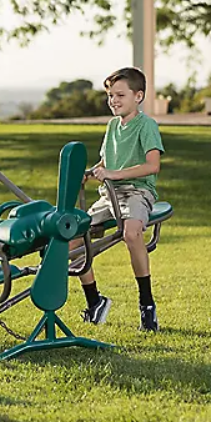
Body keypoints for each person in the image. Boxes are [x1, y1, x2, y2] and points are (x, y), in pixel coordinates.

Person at [74, 67, 164, 331]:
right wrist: (90, 173)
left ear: (138, 96)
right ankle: (95, 302)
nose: (113, 100)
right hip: (108, 196)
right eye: (110, 96)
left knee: (132, 233)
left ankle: (147, 306)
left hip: (137, 192)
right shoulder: (112, 125)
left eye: (120, 95)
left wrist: (113, 173)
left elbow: (152, 165)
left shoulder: (146, 125)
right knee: (72, 240)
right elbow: (106, 161)